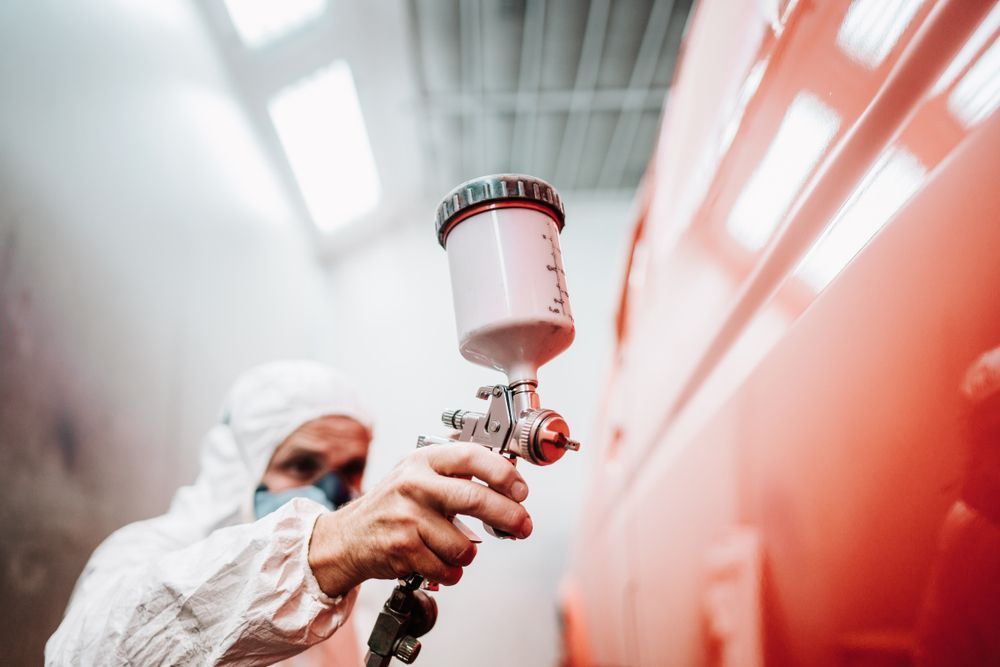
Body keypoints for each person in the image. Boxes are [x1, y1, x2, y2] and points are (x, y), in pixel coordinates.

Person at [45, 360, 532, 666]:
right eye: (301, 465)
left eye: (350, 470)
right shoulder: (146, 553)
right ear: (241, 470)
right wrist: (328, 548)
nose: (331, 491)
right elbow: (86, 656)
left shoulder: (352, 598)